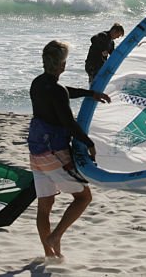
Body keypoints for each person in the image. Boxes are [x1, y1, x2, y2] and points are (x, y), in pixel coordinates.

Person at [28, 40, 110, 259]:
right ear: (61, 64)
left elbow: (63, 93)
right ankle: (55, 237)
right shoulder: (57, 89)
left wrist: (89, 93)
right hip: (55, 154)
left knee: (44, 205)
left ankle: (49, 252)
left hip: (36, 152)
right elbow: (68, 123)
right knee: (83, 198)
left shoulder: (37, 83)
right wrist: (88, 142)